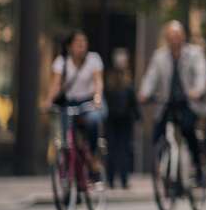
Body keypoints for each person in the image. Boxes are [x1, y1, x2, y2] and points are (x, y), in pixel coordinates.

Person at [139, 22, 206, 185]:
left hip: (188, 102)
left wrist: (197, 90)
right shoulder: (159, 56)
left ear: (183, 37)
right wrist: (144, 93)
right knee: (158, 132)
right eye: (170, 37)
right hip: (166, 103)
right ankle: (163, 167)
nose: (174, 40)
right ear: (166, 38)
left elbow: (201, 75)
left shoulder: (194, 54)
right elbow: (151, 77)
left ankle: (198, 168)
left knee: (188, 130)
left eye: (177, 36)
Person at [47, 31, 106, 176]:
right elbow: (55, 84)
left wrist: (98, 98)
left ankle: (92, 157)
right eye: (78, 43)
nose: (82, 46)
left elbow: (98, 81)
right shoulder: (61, 61)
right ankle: (68, 170)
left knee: (93, 121)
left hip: (89, 101)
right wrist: (48, 101)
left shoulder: (94, 59)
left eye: (84, 42)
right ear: (69, 46)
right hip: (69, 102)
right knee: (66, 137)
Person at [103, 49, 141, 189]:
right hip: (113, 119)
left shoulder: (126, 79)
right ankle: (113, 179)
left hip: (124, 120)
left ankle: (121, 179)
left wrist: (137, 115)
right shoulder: (111, 79)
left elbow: (133, 101)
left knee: (122, 149)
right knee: (114, 149)